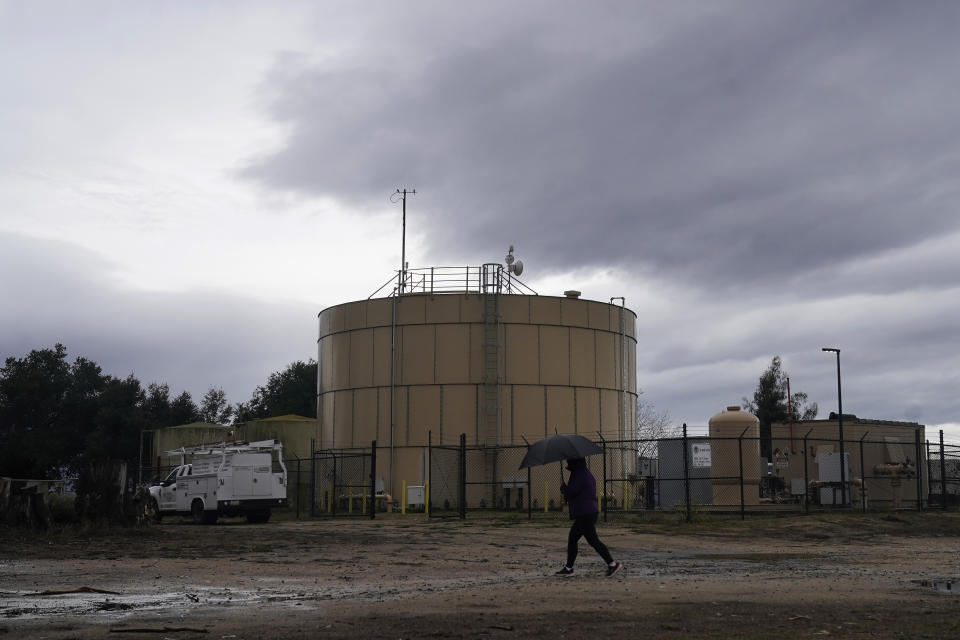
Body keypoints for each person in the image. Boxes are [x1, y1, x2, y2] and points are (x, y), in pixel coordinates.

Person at [556, 457, 623, 577]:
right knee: (591, 540)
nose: (568, 463)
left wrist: (564, 489)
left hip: (584, 513)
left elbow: (572, 492)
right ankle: (611, 564)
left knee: (575, 539)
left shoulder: (579, 475)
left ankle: (570, 568)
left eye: (569, 461)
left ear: (574, 463)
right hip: (588, 512)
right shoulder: (585, 473)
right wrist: (566, 490)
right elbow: (577, 493)